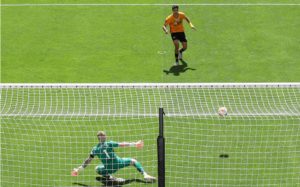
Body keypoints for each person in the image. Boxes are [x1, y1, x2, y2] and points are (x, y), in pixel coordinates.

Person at [71, 131, 156, 183]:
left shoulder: (95, 149)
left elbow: (88, 161)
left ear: (98, 139)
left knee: (97, 169)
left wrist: (78, 169)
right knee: (133, 161)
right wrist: (135, 144)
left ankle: (110, 177)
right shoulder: (109, 143)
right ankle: (145, 174)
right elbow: (122, 144)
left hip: (109, 168)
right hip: (118, 163)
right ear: (105, 137)